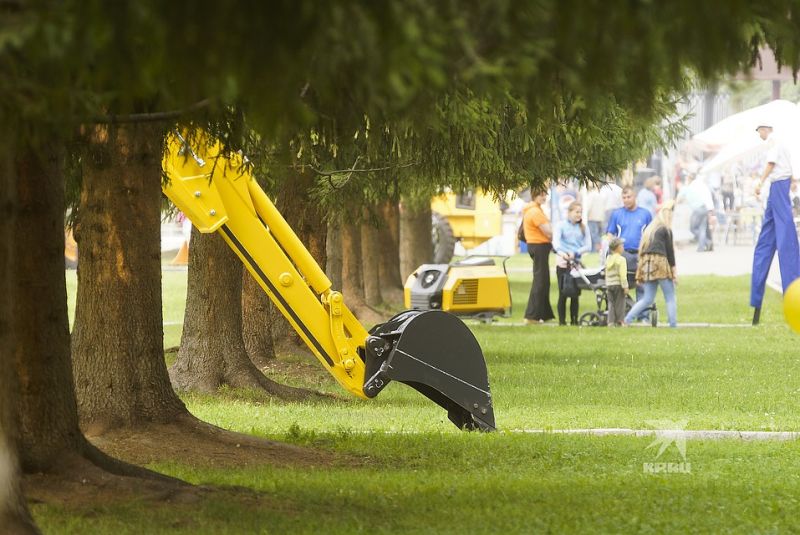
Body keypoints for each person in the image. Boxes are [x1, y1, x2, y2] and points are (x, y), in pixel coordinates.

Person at [751, 122, 800, 325]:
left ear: (766, 129)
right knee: (766, 242)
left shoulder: (774, 142)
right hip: (778, 187)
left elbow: (772, 165)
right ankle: (760, 297)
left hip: (778, 186)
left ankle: (792, 290)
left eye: (759, 131)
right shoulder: (779, 143)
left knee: (784, 240)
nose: (759, 135)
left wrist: (760, 182)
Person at [624, 201, 678, 328]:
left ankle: (627, 319)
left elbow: (642, 250)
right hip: (660, 263)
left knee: (647, 298)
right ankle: (673, 325)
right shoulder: (666, 229)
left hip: (647, 264)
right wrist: (674, 271)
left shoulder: (650, 229)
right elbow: (670, 252)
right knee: (670, 297)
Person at [605, 185, 652, 313]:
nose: (626, 200)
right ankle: (622, 311)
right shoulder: (617, 214)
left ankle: (643, 314)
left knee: (641, 284)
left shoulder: (645, 214)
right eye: (624, 197)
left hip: (640, 254)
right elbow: (610, 234)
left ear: (635, 196)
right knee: (620, 283)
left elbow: (650, 234)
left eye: (629, 197)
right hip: (622, 254)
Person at [553, 201, 592, 325]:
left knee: (575, 294)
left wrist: (575, 252)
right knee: (563, 292)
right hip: (563, 263)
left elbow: (588, 246)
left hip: (576, 263)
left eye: (580, 212)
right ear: (569, 212)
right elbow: (556, 243)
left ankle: (574, 320)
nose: (579, 214)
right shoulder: (561, 226)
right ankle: (562, 321)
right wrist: (563, 253)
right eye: (576, 212)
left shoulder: (584, 227)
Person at [523, 187, 555, 324]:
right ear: (535, 195)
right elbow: (548, 232)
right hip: (539, 246)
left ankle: (543, 314)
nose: (544, 197)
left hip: (539, 246)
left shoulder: (535, 210)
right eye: (541, 195)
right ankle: (531, 315)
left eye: (545, 195)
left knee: (544, 281)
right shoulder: (535, 212)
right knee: (540, 281)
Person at [677, 174, 715, 252]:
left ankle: (707, 242)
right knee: (702, 228)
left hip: (698, 209)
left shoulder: (685, 188)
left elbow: (678, 200)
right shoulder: (694, 187)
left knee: (693, 228)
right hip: (704, 207)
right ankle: (701, 247)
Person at [604, 237, 629, 327]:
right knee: (620, 304)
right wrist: (625, 286)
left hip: (609, 284)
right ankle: (621, 321)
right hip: (618, 284)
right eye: (622, 246)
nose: (623, 247)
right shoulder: (621, 260)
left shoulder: (608, 259)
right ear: (617, 248)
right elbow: (623, 275)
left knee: (611, 304)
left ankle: (610, 321)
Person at [582, 185, 605, 251]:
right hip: (600, 218)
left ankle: (597, 250)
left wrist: (585, 217)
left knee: (593, 236)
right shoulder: (600, 195)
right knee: (598, 235)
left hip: (592, 217)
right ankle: (597, 250)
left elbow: (588, 207)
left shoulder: (590, 195)